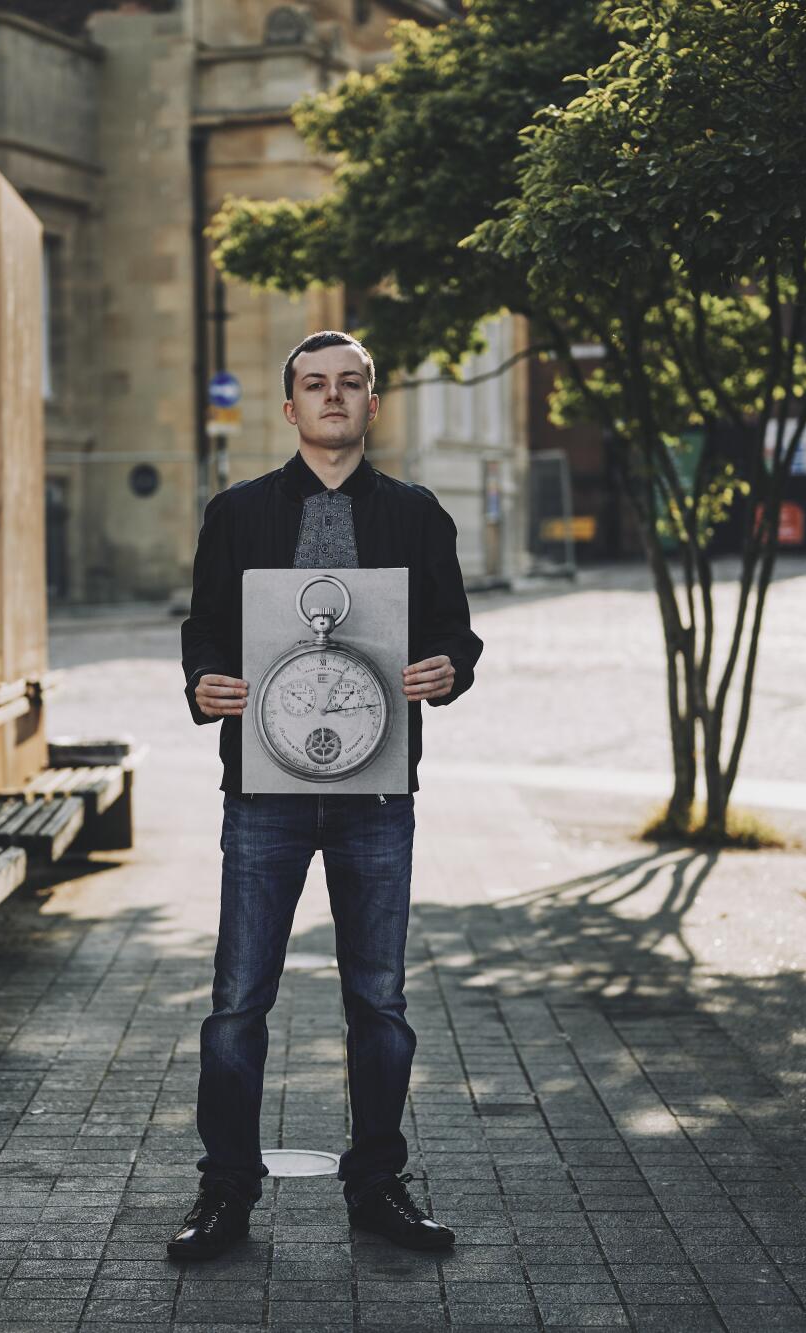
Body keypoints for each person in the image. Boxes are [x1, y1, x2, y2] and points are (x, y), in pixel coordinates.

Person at [170, 330, 484, 1261]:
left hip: (377, 796)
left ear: (373, 405)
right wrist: (205, 681)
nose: (334, 397)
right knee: (236, 1000)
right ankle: (226, 1191)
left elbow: (457, 636)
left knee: (379, 1001)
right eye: (316, 384)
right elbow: (205, 630)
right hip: (261, 791)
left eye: (351, 384)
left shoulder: (419, 514)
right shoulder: (236, 513)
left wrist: (446, 670)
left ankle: (378, 1186)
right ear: (291, 405)